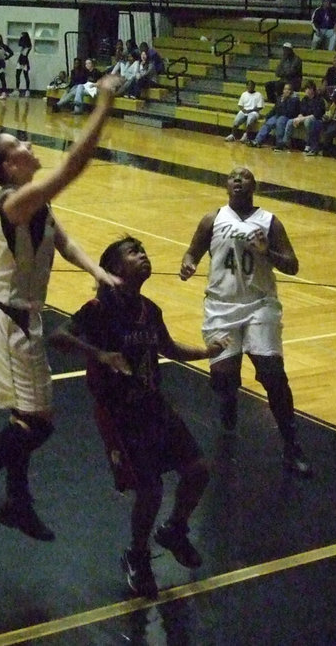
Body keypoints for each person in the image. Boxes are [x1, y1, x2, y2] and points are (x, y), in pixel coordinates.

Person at [0, 72, 124, 551]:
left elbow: (60, 237)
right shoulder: (16, 202)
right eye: (19, 144)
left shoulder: (33, 203)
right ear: (9, 169)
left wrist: (97, 271)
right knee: (38, 422)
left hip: (18, 314)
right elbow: (75, 165)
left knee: (25, 417)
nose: (29, 144)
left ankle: (16, 499)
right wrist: (103, 102)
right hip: (8, 315)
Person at [48, 236, 225, 599]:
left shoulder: (150, 310)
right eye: (133, 252)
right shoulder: (99, 308)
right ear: (113, 269)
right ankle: (138, 554)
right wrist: (98, 354)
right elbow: (58, 336)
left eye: (143, 250)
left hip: (154, 405)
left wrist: (206, 351)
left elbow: (169, 348)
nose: (143, 256)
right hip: (119, 414)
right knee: (151, 489)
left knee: (198, 470)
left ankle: (174, 529)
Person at [179, 167, 312, 477]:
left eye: (245, 176)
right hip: (221, 306)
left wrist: (269, 253)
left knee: (272, 373)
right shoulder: (212, 219)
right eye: (232, 176)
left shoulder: (270, 222)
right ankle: (229, 400)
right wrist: (187, 264)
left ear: (255, 186)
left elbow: (292, 265)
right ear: (226, 186)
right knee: (224, 379)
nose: (238, 179)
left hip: (259, 305)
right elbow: (192, 253)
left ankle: (291, 446)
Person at [277, 81, 326, 151]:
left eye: (308, 89)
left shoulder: (319, 100)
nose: (306, 91)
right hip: (304, 118)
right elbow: (301, 111)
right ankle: (285, 143)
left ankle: (308, 144)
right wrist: (299, 117)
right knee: (290, 122)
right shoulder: (304, 99)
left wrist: (302, 119)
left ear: (313, 89)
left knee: (307, 122)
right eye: (306, 89)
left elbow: (316, 115)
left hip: (316, 120)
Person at [250, 83, 299, 148]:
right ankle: (257, 141)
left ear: (292, 91)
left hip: (288, 117)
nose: (286, 91)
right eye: (285, 89)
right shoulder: (280, 98)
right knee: (269, 123)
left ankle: (280, 144)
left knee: (280, 122)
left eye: (288, 89)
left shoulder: (294, 100)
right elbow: (274, 109)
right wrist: (267, 116)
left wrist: (284, 101)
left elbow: (289, 112)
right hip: (278, 115)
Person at [15, 31, 33, 96]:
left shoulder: (28, 45)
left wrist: (23, 63)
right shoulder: (22, 44)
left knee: (26, 75)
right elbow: (19, 44)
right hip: (20, 60)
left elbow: (25, 54)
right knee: (17, 75)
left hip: (24, 61)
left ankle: (27, 90)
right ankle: (17, 90)